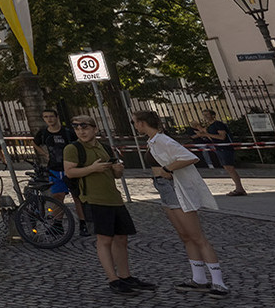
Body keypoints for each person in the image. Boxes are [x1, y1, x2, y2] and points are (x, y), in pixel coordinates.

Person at [135, 110, 229, 297]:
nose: (135, 126)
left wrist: (167, 168)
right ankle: (199, 278)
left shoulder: (163, 140)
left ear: (143, 123)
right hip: (165, 189)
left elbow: (189, 157)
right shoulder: (153, 140)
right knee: (185, 236)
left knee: (197, 236)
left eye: (135, 122)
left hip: (174, 188)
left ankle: (219, 282)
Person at [63, 116, 154, 295]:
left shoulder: (103, 147)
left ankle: (125, 276)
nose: (81, 131)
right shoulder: (73, 148)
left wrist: (117, 171)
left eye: (85, 127)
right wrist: (92, 169)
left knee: (122, 238)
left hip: (114, 198)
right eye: (77, 128)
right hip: (94, 199)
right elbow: (70, 172)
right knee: (104, 240)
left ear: (94, 129)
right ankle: (113, 280)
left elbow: (114, 173)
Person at [34, 109, 88, 235]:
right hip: (54, 168)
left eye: (51, 116)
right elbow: (35, 143)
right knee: (57, 197)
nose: (49, 119)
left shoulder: (68, 132)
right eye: (46, 117)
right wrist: (44, 154)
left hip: (71, 168)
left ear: (57, 117)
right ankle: (57, 224)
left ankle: (83, 223)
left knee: (78, 197)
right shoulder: (43, 134)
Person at [195, 110, 247, 196]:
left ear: (213, 115)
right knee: (227, 168)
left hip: (225, 147)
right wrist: (204, 134)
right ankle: (239, 188)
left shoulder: (218, 124)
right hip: (219, 148)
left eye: (207, 114)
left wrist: (206, 134)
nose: (205, 117)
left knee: (230, 168)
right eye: (204, 115)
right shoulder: (210, 126)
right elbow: (212, 139)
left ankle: (239, 188)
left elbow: (222, 137)